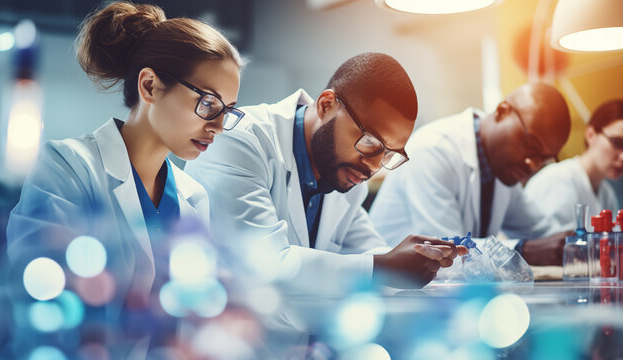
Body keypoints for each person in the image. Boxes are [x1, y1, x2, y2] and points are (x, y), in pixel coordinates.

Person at [7, 2, 243, 303]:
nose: (219, 126)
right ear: (150, 86)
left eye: (228, 111)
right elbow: (37, 287)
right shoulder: (67, 168)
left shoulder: (194, 197)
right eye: (209, 103)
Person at [186, 53, 467, 295]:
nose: (374, 166)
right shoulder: (238, 141)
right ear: (326, 105)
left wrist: (423, 258)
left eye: (388, 154)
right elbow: (263, 265)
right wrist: (384, 266)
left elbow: (365, 251)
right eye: (370, 142)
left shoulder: (347, 175)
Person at [369, 82, 572, 266]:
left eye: (545, 159)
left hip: (442, 294)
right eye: (530, 145)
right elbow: (446, 254)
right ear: (502, 111)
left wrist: (579, 242)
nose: (533, 164)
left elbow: (542, 233)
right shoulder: (433, 149)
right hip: (391, 294)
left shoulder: (506, 169)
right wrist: (522, 250)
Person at [525, 99, 623, 232]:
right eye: (617, 143)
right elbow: (546, 247)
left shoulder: (606, 194)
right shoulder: (558, 181)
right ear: (591, 135)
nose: (622, 157)